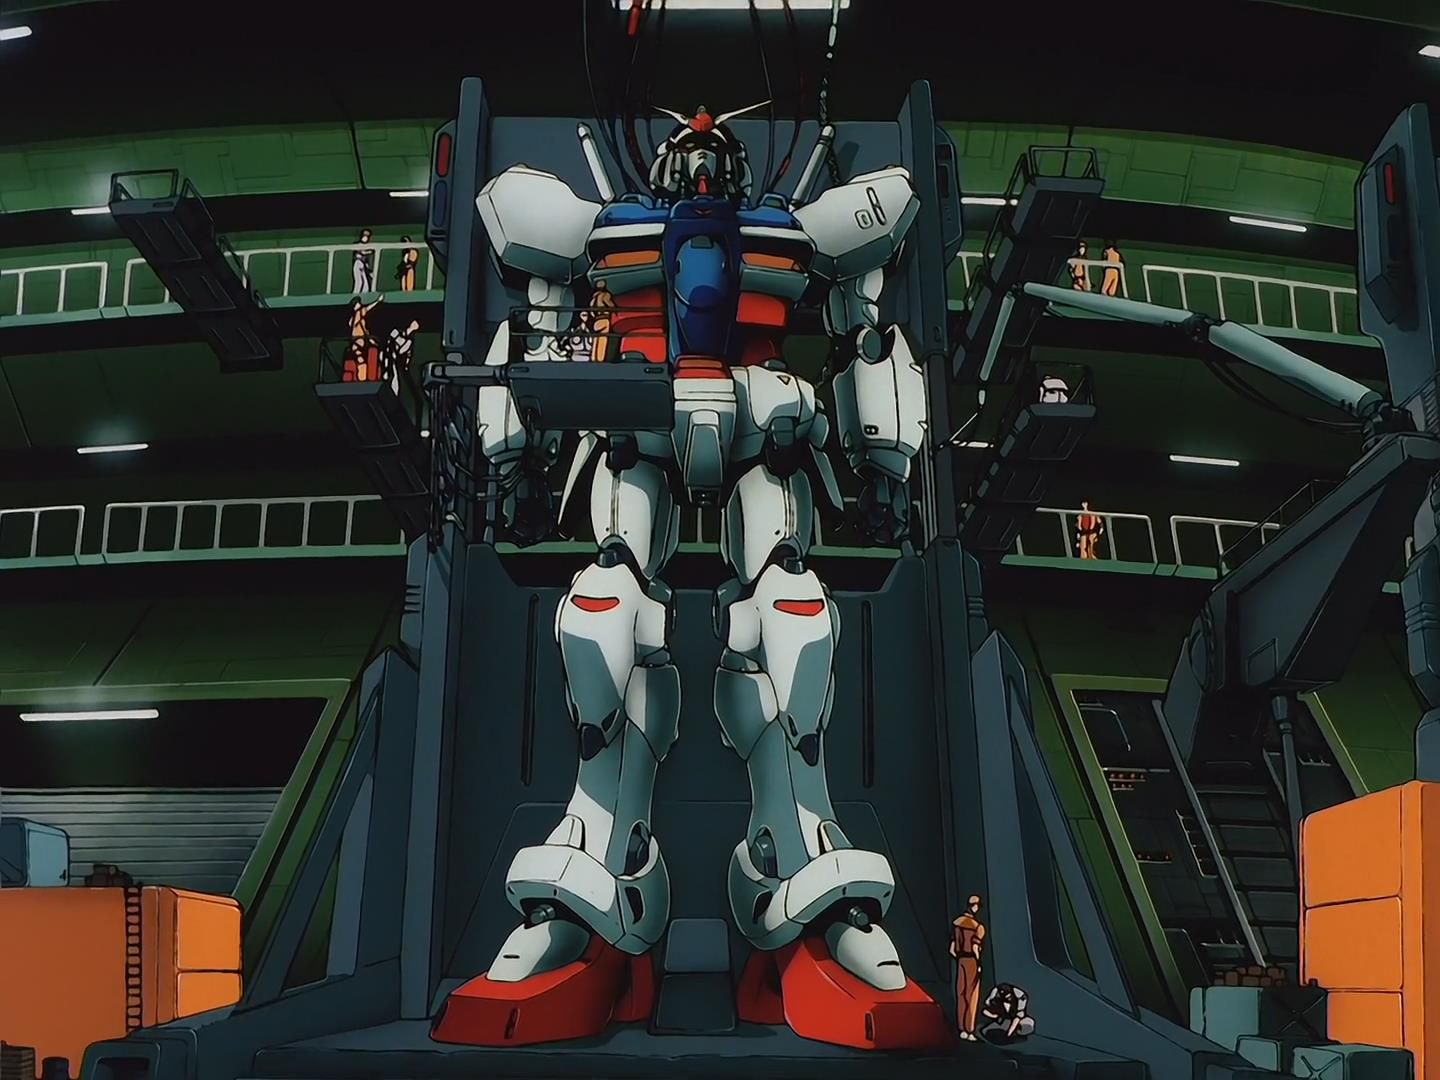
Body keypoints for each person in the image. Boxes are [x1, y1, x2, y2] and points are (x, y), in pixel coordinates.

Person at [950, 895, 986, 1041]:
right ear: (975, 906)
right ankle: (969, 1030)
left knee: (961, 994)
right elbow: (975, 947)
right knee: (972, 996)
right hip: (971, 961)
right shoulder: (978, 927)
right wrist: (979, 964)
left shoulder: (957, 924)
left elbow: (952, 949)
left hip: (961, 961)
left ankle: (961, 1029)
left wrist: (960, 958)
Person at [345, 295, 384, 382]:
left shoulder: (353, 318)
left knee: (362, 359)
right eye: (358, 303)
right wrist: (378, 301)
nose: (360, 304)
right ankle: (361, 379)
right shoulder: (359, 313)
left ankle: (362, 378)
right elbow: (367, 308)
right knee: (361, 361)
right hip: (358, 342)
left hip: (357, 342)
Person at [352, 229, 377, 294]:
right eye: (364, 234)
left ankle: (364, 297)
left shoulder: (367, 246)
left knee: (366, 286)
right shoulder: (357, 244)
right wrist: (370, 251)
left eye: (367, 235)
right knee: (359, 282)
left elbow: (366, 261)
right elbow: (361, 252)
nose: (365, 236)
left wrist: (369, 271)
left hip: (363, 266)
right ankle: (354, 296)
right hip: (358, 264)